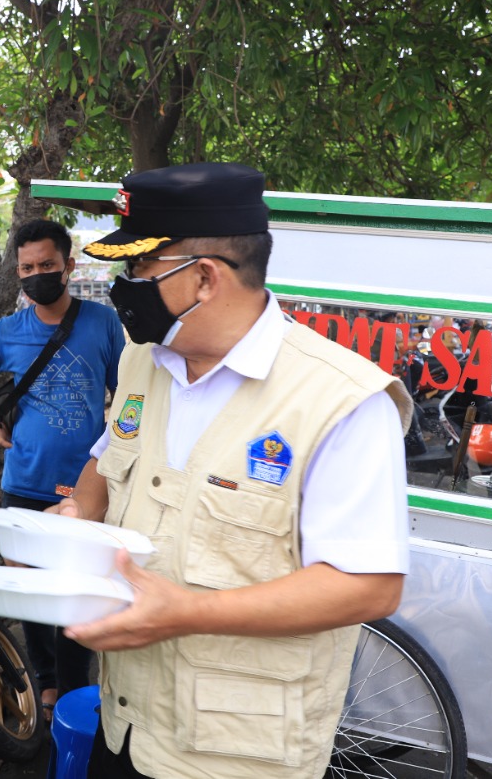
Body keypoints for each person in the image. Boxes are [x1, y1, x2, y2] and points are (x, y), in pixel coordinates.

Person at [48, 162, 413, 779]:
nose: (126, 284)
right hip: (127, 729)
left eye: (139, 268)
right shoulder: (145, 361)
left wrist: (184, 612)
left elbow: (369, 585)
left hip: (235, 754)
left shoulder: (341, 401)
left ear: (205, 278)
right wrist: (77, 516)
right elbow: (106, 462)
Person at [0, 218, 126, 719]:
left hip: (85, 489)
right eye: (27, 267)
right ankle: (45, 684)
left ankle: (73, 690)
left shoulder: (102, 322)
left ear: (68, 266)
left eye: (46, 265)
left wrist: (115, 445)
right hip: (24, 482)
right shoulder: (8, 331)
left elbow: (128, 391)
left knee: (75, 595)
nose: (36, 275)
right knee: (33, 596)